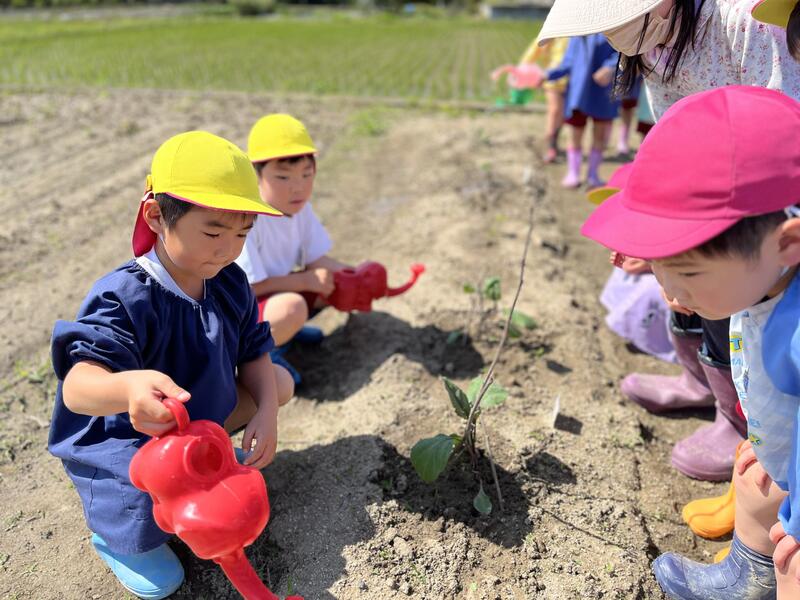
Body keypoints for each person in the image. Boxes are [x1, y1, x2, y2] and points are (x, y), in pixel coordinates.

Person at [537, 0, 800, 480]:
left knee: (725, 295)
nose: (613, 34)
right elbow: (669, 128)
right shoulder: (652, 46)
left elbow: (785, 127)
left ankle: (740, 421)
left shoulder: (742, 24)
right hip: (695, 193)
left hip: (751, 205)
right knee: (683, 290)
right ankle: (701, 382)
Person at [48, 131, 295, 600]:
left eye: (242, 234)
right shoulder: (124, 297)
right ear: (157, 217)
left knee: (277, 383)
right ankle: (116, 538)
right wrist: (129, 387)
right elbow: (77, 387)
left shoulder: (229, 282)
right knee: (149, 513)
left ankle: (207, 459)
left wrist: (267, 413)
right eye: (214, 232)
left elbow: (253, 351)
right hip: (132, 439)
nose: (228, 249)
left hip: (196, 419)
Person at [582, 85, 800, 600]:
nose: (672, 293)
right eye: (661, 270)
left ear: (788, 243)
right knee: (753, 482)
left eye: (689, 274)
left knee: (795, 565)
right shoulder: (762, 279)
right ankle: (746, 579)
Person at [236, 114, 350, 384]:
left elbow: (317, 259)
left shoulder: (301, 210)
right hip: (239, 312)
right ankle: (263, 354)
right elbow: (248, 288)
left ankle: (286, 333)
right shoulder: (248, 218)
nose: (298, 187)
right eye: (283, 177)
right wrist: (305, 281)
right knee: (293, 306)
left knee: (333, 282)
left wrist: (355, 275)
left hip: (271, 298)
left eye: (306, 175)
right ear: (257, 173)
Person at [538, 34, 620, 189]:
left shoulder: (612, 32)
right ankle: (573, 173)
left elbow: (623, 55)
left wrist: (610, 67)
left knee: (600, 135)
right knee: (575, 134)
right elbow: (567, 63)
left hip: (603, 92)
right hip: (578, 92)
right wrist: (547, 75)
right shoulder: (577, 36)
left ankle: (593, 174)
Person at [518, 34, 569, 163]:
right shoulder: (550, 34)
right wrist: (523, 73)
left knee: (564, 115)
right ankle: (549, 145)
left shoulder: (574, 35)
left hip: (571, 80)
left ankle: (554, 142)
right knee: (555, 111)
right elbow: (530, 55)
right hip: (552, 80)